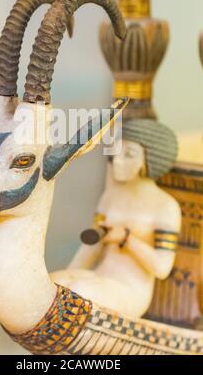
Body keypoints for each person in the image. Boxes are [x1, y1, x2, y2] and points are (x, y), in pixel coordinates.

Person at [52, 119, 181, 317]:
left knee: (79, 292)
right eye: (116, 152)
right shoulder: (110, 197)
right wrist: (65, 279)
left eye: (129, 155)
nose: (118, 160)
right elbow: (91, 248)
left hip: (129, 290)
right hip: (100, 277)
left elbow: (162, 268)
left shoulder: (166, 207)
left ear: (150, 161)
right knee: (52, 286)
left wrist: (127, 239)